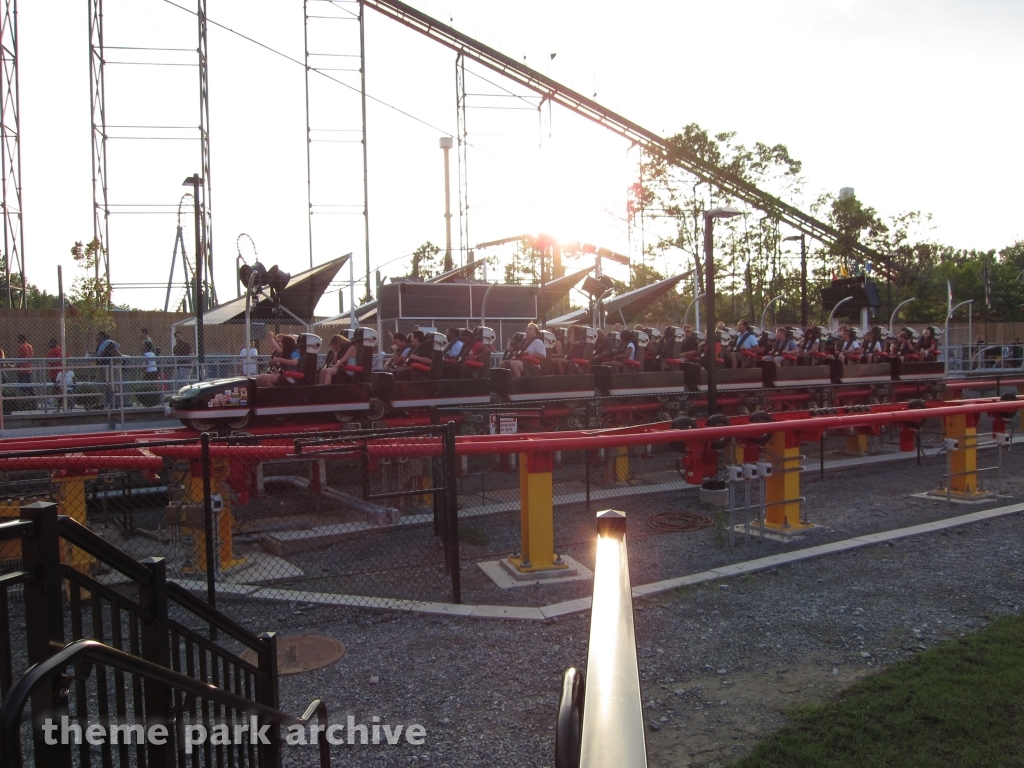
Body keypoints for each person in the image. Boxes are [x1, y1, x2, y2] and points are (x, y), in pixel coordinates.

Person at [141, 340, 160, 406]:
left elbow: (146, 363)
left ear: (146, 347)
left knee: (147, 386)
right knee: (154, 385)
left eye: (144, 345)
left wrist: (143, 370)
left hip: (149, 372)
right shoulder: (153, 353)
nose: (142, 347)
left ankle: (148, 399)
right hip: (155, 371)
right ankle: (155, 399)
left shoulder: (146, 354)